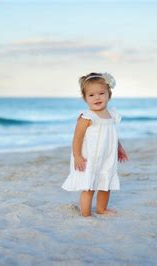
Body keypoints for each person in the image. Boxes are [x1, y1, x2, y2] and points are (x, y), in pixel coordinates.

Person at [61, 72, 129, 217]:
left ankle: (101, 209)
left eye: (101, 93)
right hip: (90, 157)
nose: (97, 97)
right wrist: (77, 155)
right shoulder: (87, 117)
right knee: (89, 186)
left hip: (107, 156)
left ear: (109, 95)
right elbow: (77, 139)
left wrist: (119, 147)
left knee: (106, 184)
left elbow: (112, 134)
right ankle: (85, 214)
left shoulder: (111, 114)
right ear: (85, 98)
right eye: (91, 95)